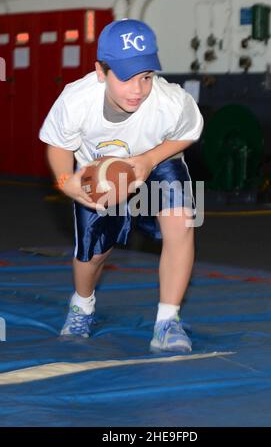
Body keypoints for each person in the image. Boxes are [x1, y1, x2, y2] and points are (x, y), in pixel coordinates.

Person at [39, 19, 203, 353]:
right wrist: (64, 181)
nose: (138, 89)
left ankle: (167, 322)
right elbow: (57, 145)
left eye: (145, 76)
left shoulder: (170, 101)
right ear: (101, 71)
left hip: (156, 161)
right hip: (100, 175)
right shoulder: (76, 100)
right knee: (94, 253)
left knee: (181, 220)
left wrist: (148, 160)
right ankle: (82, 305)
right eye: (126, 77)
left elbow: (189, 132)